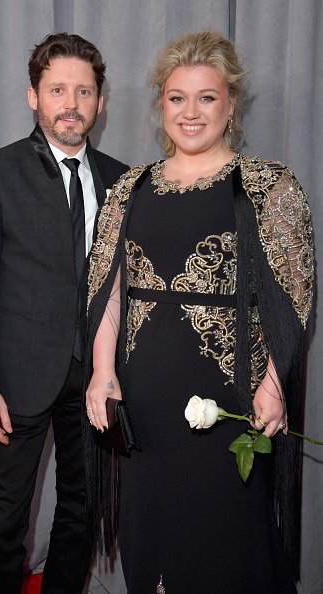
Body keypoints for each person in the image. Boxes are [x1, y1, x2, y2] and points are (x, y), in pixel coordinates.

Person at [85, 29, 314, 594]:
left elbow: (294, 298)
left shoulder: (268, 185)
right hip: (144, 401)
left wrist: (275, 386)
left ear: (230, 103)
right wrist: (102, 371)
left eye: (206, 97)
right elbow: (110, 287)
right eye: (177, 98)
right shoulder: (130, 189)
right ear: (161, 103)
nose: (191, 113)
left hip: (229, 401)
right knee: (152, 537)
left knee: (228, 542)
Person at [0, 33, 128, 594]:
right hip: (15, 380)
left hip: (95, 381)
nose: (71, 103)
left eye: (83, 91)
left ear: (100, 101)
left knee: (82, 511)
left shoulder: (123, 180)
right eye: (58, 90)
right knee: (4, 523)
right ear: (34, 97)